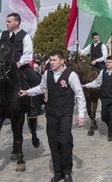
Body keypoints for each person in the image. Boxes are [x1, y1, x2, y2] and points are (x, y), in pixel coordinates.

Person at [19, 50, 85, 182]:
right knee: (53, 142)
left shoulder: (71, 75)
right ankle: (58, 171)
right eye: (50, 60)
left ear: (62, 61)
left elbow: (79, 94)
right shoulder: (47, 74)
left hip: (66, 113)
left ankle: (67, 170)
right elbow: (41, 88)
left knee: (65, 141)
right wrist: (28, 92)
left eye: (54, 60)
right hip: (52, 113)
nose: (51, 62)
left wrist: (81, 115)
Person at [0, 13, 41, 119]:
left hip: (19, 65)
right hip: (2, 65)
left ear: (16, 22)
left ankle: (33, 107)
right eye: (6, 21)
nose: (7, 24)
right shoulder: (2, 35)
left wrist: (20, 62)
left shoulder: (25, 36)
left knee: (35, 79)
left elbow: (28, 53)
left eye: (9, 22)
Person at [83, 56, 112, 141]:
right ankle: (111, 125)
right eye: (106, 62)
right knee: (104, 116)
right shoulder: (102, 72)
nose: (107, 64)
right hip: (105, 97)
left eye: (109, 62)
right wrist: (86, 85)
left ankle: (111, 135)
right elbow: (96, 83)